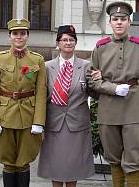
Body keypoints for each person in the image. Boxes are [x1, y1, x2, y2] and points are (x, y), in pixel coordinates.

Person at [88, 1, 139, 187]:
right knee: (113, 156)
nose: (119, 22)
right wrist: (112, 88)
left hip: (132, 107)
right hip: (108, 108)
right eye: (115, 19)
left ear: (129, 22)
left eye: (123, 19)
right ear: (109, 22)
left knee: (133, 156)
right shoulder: (100, 47)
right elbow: (92, 80)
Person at [0, 18, 47, 187]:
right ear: (9, 36)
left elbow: (41, 93)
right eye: (15, 34)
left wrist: (39, 122)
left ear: (27, 36)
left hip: (28, 116)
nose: (18, 37)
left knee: (24, 160)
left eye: (22, 33)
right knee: (7, 160)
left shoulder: (37, 60)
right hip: (4, 117)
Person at [38, 25, 98, 187]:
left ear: (76, 43)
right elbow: (41, 98)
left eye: (72, 40)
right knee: (55, 166)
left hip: (77, 125)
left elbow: (95, 93)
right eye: (64, 40)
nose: (68, 43)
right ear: (58, 43)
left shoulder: (86, 66)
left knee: (73, 166)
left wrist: (99, 80)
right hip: (54, 124)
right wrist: (39, 124)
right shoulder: (46, 67)